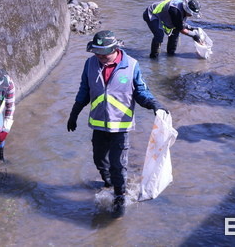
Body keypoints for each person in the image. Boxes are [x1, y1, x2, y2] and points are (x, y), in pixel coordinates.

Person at [67, 30, 167, 218]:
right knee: (99, 159)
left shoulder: (131, 66)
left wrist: (154, 104)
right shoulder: (90, 64)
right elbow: (84, 90)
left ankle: (119, 195)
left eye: (104, 53)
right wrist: (74, 113)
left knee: (118, 164)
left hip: (121, 126)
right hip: (98, 124)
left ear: (116, 49)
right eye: (97, 53)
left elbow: (140, 92)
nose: (100, 57)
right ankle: (107, 182)